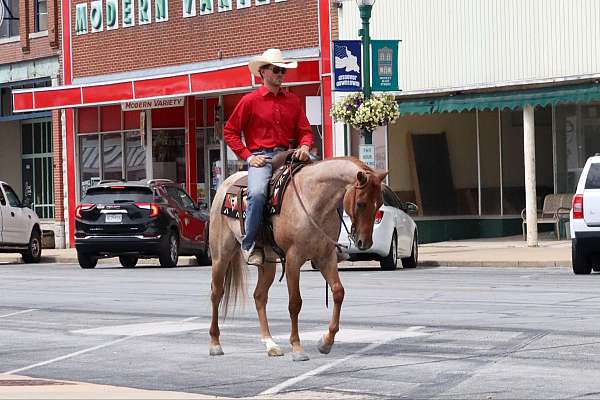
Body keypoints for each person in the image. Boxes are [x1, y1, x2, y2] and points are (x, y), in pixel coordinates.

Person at [223, 49, 314, 266]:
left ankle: (327, 244)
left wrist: (304, 145)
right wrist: (248, 157)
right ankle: (250, 245)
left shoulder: (293, 100)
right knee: (256, 194)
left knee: (325, 181)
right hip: (262, 157)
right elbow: (230, 132)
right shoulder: (249, 101)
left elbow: (305, 131)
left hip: (289, 154)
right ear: (263, 72)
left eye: (283, 70)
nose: (281, 74)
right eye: (276, 70)